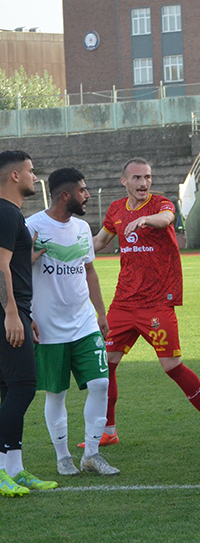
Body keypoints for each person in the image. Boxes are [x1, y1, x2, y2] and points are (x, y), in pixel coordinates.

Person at [93, 158, 200, 444]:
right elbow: (100, 242)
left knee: (171, 366)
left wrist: (144, 219)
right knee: (107, 364)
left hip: (157, 302)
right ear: (124, 181)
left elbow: (167, 219)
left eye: (148, 177)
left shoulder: (161, 204)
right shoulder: (115, 209)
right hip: (123, 302)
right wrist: (67, 248)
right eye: (137, 178)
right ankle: (108, 431)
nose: (144, 183)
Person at [27, 168, 119, 477]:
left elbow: (89, 271)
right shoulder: (31, 227)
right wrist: (27, 260)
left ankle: (91, 454)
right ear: (65, 195)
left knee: (101, 383)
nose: (88, 194)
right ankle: (63, 456)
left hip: (84, 324)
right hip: (48, 326)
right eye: (82, 190)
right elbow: (11, 272)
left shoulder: (81, 228)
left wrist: (101, 312)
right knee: (56, 393)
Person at [0, 150, 55, 496]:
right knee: (23, 387)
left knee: (9, 389)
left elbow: (13, 264)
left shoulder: (12, 215)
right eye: (31, 171)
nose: (35, 177)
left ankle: (15, 470)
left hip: (16, 311)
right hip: (6, 313)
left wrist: (25, 314)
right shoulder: (5, 213)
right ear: (14, 176)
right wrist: (11, 314)